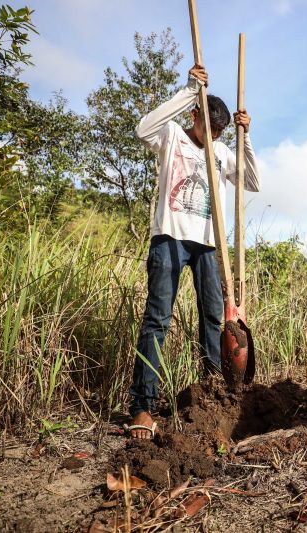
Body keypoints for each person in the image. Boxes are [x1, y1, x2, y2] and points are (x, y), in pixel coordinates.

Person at [126, 64, 260, 439]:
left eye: (219, 133)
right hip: (170, 236)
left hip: (208, 243)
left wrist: (242, 136)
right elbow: (141, 129)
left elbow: (252, 182)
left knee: (214, 321)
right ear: (195, 116)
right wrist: (190, 89)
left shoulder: (220, 149)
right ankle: (143, 406)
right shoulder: (171, 136)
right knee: (157, 319)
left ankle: (211, 395)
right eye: (208, 129)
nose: (211, 138)